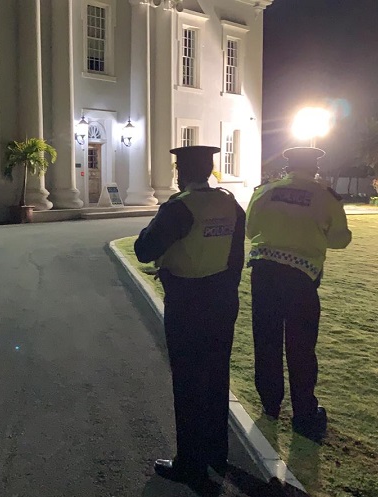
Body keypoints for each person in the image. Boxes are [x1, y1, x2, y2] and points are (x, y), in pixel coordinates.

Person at [134, 145, 245, 483]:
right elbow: (235, 258)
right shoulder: (230, 203)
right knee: (216, 376)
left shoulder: (178, 208)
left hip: (188, 303)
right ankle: (216, 451)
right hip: (222, 299)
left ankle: (190, 463)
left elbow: (144, 250)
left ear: (181, 173)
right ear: (209, 170)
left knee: (188, 381)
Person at [245, 147, 352, 442]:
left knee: (266, 339)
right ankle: (304, 413)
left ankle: (270, 403)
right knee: (301, 346)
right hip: (301, 278)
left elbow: (250, 229)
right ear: (314, 168)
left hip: (264, 274)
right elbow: (340, 239)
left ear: (287, 166)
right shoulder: (325, 196)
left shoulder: (265, 191)